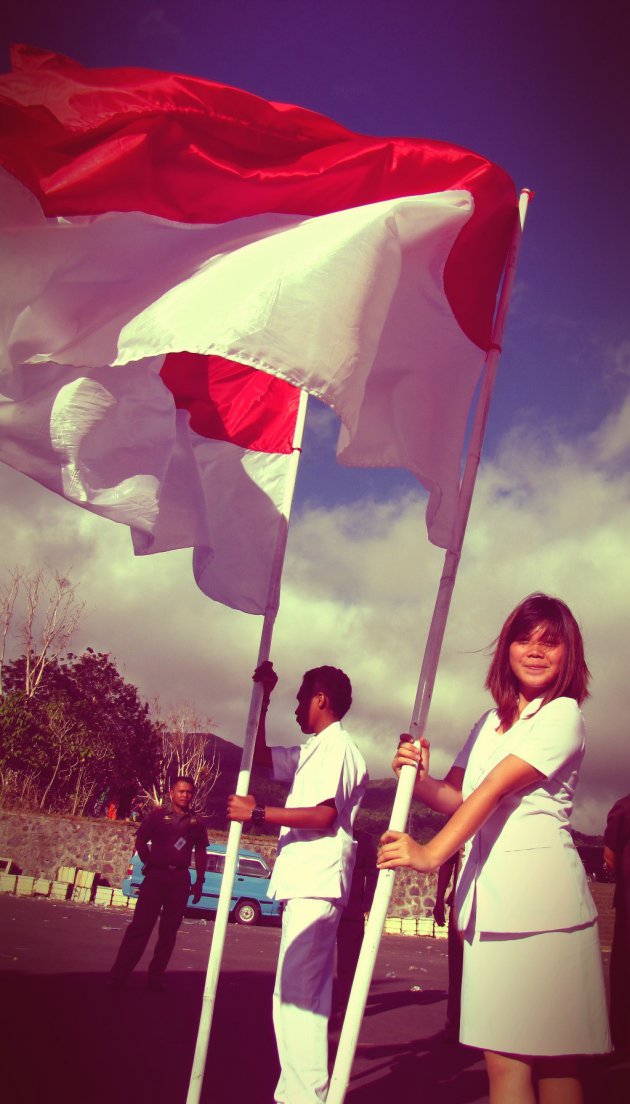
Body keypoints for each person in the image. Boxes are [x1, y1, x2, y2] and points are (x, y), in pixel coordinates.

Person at [378, 593, 610, 1104]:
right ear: (505, 649)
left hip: (547, 912)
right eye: (524, 639)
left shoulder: (563, 715)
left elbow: (494, 790)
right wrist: (417, 776)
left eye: (550, 642)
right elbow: (457, 795)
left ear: (569, 654)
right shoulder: (487, 722)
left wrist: (430, 855)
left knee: (556, 1068)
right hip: (487, 909)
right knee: (502, 1070)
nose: (535, 650)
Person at [227, 661, 368, 1104]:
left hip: (317, 884)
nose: (296, 707)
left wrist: (258, 813)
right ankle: (295, 1093)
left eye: (299, 697)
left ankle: (305, 1096)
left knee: (301, 1002)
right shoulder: (312, 751)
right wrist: (264, 698)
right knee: (290, 999)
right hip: (303, 885)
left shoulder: (339, 749)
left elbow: (325, 815)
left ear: (320, 698)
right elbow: (264, 757)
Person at [109, 776, 208, 991]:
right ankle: (119, 975)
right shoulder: (157, 816)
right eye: (181, 791)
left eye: (189, 792)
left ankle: (156, 977)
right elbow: (141, 841)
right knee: (140, 927)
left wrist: (200, 880)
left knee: (169, 931)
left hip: (180, 879)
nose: (185, 795)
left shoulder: (196, 822)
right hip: (156, 878)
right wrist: (148, 862)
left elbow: (201, 851)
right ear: (172, 793)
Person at [334, 828, 378, 1013]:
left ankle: (347, 1000)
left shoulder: (364, 840)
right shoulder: (327, 835)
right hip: (325, 902)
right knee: (318, 956)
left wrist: (367, 904)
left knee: (349, 959)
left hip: (351, 908)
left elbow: (373, 873)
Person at [604, 791, 630, 1055]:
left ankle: (622, 1040)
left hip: (627, 903)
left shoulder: (624, 807)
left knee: (624, 973)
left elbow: (610, 857)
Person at [433, 849, 463, 1041]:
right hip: (461, 902)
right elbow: (447, 862)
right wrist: (438, 901)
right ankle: (455, 1024)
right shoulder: (463, 821)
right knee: (458, 968)